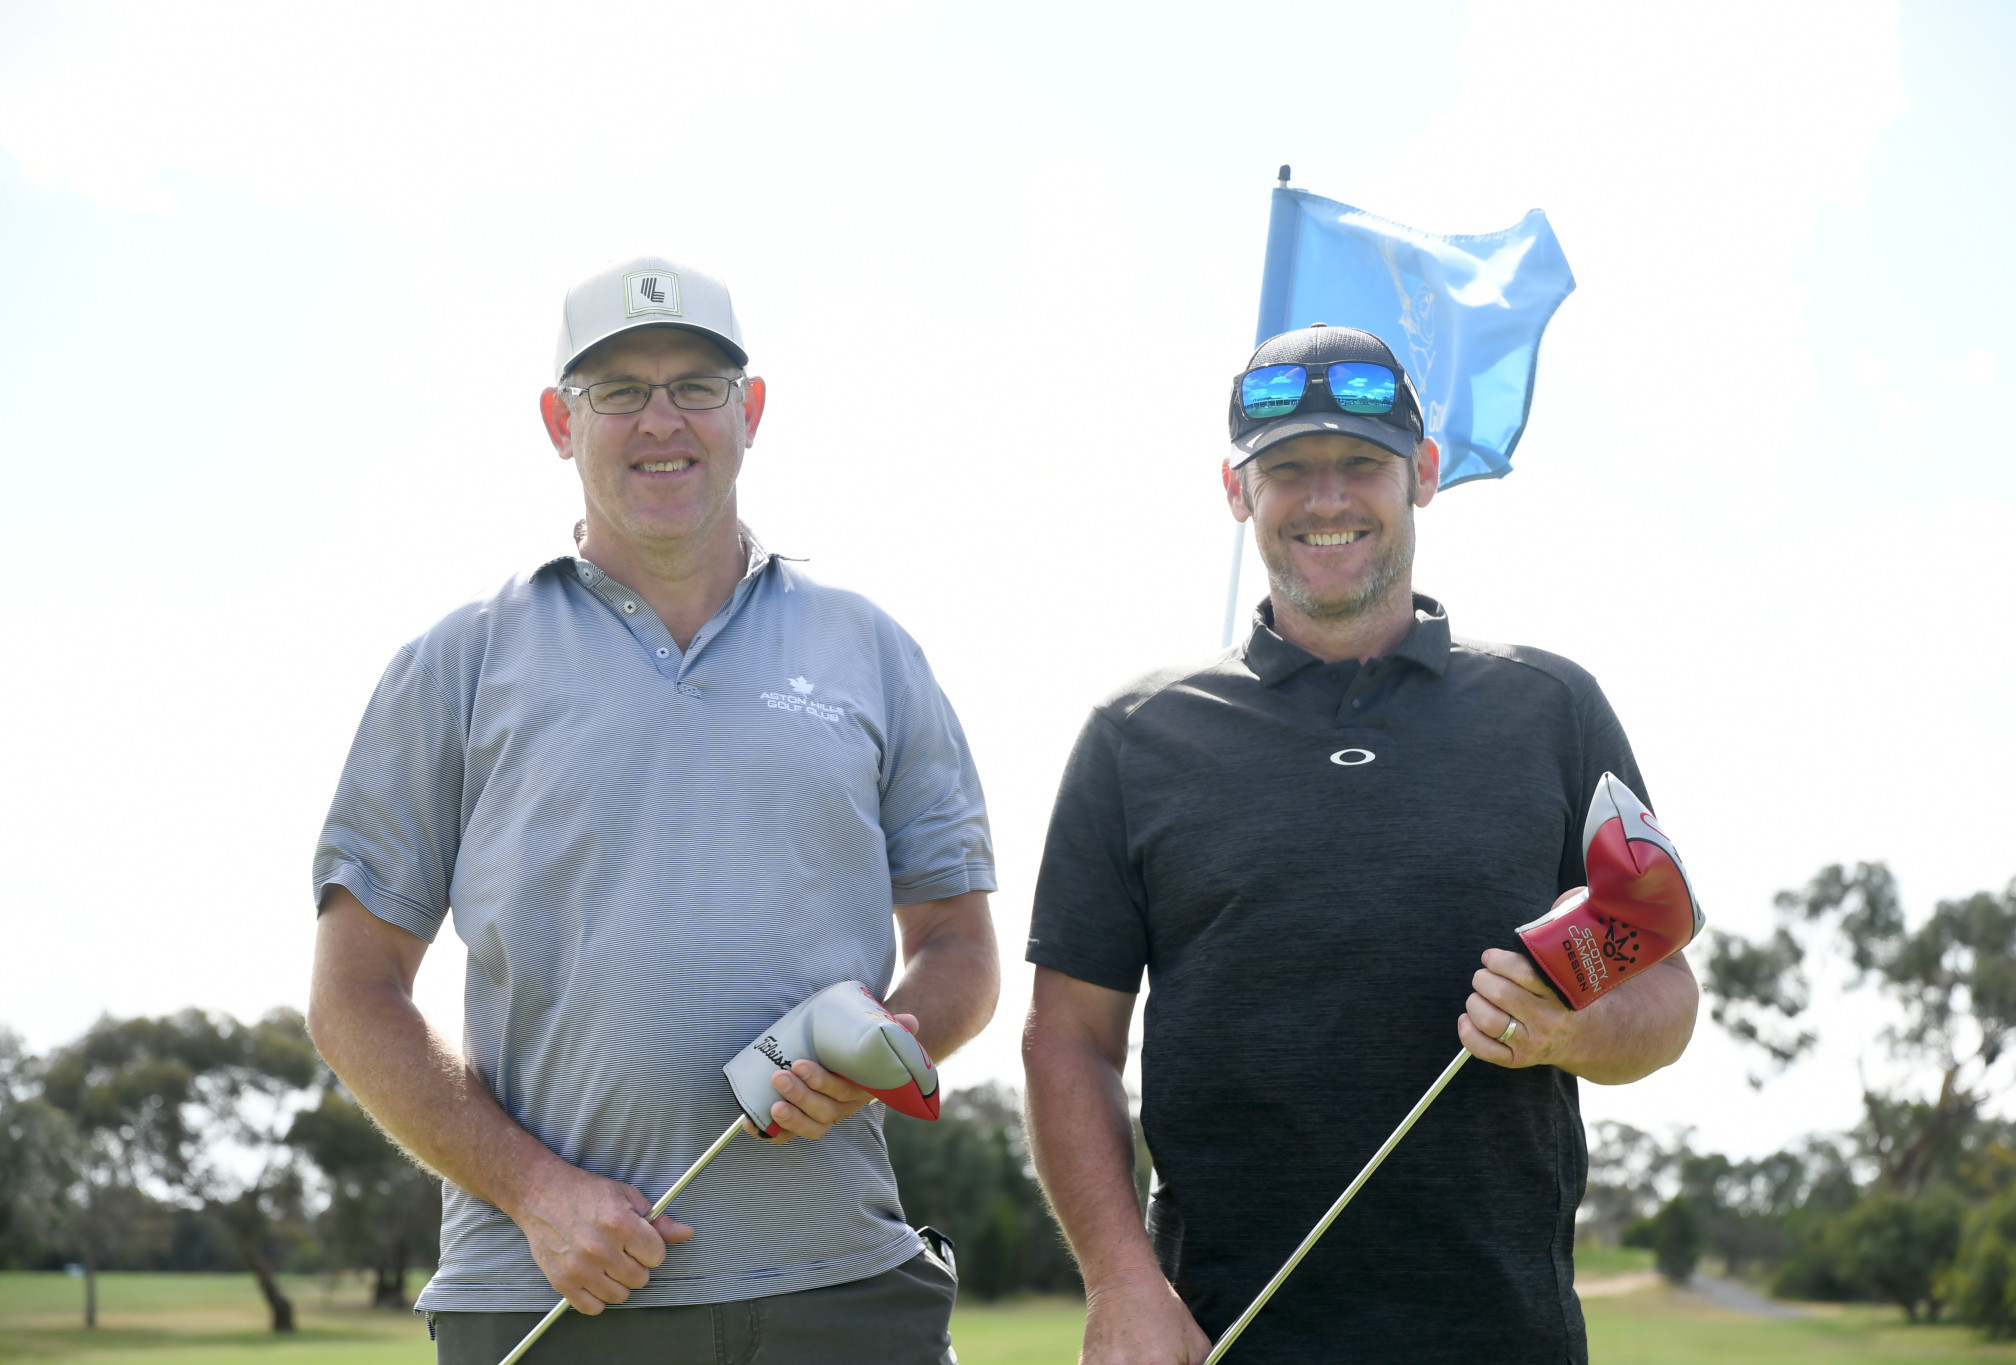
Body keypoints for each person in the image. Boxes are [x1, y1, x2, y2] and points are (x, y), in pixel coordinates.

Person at [306, 256, 998, 1364]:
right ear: (557, 422)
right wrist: (536, 1192)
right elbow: (352, 996)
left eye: (695, 386)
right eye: (616, 390)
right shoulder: (458, 662)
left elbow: (961, 948)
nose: (659, 420)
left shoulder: (869, 647)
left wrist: (886, 1047)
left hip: (844, 1290)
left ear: (750, 411)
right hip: (549, 1293)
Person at [1021, 324, 1700, 1364]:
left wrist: (1563, 1032)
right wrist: (1120, 1283)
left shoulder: (1549, 707)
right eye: (1287, 469)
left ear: (1422, 475)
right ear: (1234, 490)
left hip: (1502, 1337)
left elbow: (1662, 987)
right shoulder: (1134, 735)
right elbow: (1067, 1040)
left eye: (1360, 464)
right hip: (1220, 1337)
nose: (1325, 498)